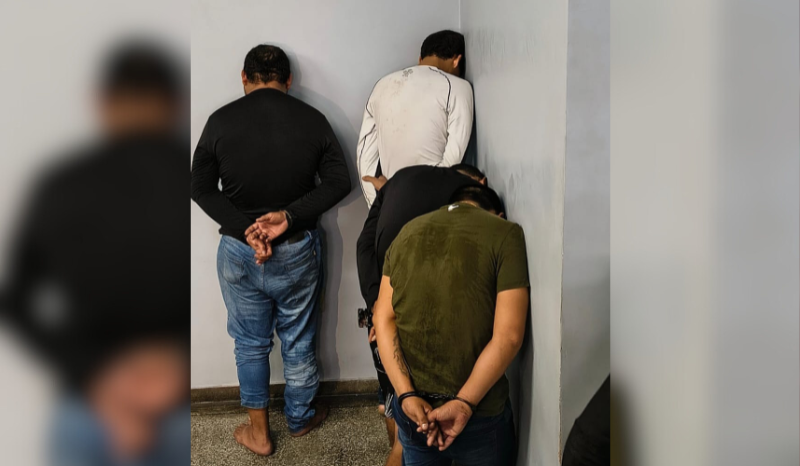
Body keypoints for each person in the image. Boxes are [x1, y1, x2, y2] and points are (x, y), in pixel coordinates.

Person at [1, 41, 189, 465]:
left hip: (87, 405)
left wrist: (99, 380)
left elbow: (14, 298)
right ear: (174, 103)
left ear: (103, 101)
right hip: (176, 403)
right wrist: (174, 366)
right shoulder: (189, 177)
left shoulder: (61, 184)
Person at [190, 44, 351, 456]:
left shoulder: (220, 121)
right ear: (288, 80)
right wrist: (289, 216)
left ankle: (259, 433)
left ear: (244, 78)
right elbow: (339, 182)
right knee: (299, 339)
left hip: (238, 251)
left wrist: (247, 229)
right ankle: (299, 419)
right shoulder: (313, 119)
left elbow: (200, 187)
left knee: (249, 343)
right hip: (296, 248)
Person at [374, 185, 529, 466]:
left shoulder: (407, 232)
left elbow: (382, 318)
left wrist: (406, 394)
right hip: (481, 413)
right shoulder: (505, 232)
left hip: (414, 414)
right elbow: (508, 336)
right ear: (498, 215)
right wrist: (464, 403)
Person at [356, 163, 487, 466]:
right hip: (425, 308)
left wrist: (377, 306)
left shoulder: (400, 180)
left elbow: (364, 245)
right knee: (415, 424)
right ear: (480, 182)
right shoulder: (470, 199)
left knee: (396, 397)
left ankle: (399, 440)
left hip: (384, 302)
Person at [357, 30, 474, 207]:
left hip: (389, 201)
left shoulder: (382, 85)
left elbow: (364, 157)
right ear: (457, 60)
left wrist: (378, 204)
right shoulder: (459, 87)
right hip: (432, 204)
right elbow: (454, 157)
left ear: (420, 59)